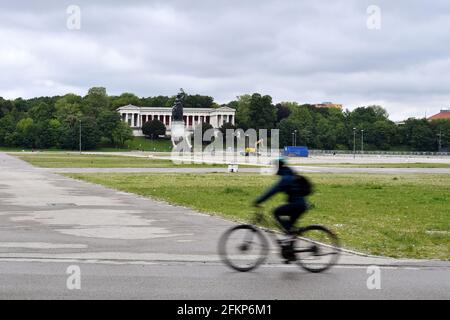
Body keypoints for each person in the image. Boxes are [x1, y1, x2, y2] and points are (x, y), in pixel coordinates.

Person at [253, 157, 309, 261]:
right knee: (290, 229)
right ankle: (290, 253)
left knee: (276, 212)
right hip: (300, 205)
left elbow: (271, 191)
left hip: (298, 205)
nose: (274, 169)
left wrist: (258, 201)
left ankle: (290, 236)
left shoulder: (285, 178)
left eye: (275, 166)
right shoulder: (290, 175)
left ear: (279, 167)